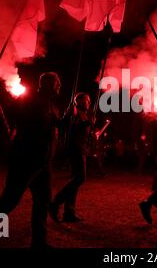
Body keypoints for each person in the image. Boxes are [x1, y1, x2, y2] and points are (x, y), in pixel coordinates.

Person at [0, 72, 61, 248]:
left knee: (42, 201)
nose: (59, 87)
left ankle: (39, 242)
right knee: (7, 203)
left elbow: (52, 127)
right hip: (26, 160)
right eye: (57, 84)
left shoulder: (52, 105)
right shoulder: (28, 100)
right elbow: (8, 118)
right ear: (47, 84)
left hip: (44, 162)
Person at [49, 92, 91, 222]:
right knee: (80, 178)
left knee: (75, 180)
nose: (87, 103)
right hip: (75, 148)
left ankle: (69, 212)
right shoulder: (74, 112)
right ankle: (56, 202)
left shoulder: (84, 114)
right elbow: (73, 127)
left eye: (88, 101)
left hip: (81, 149)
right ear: (78, 102)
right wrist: (87, 123)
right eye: (84, 101)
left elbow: (82, 131)